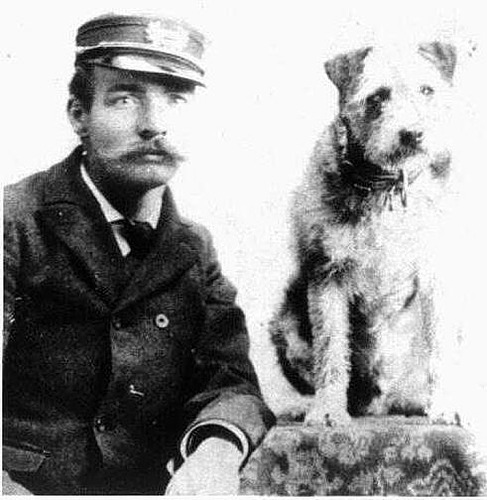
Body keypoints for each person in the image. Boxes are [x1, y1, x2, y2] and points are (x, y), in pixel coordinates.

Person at [3, 13, 275, 495]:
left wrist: (215, 452)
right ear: (78, 115)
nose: (155, 125)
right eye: (125, 98)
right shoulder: (15, 222)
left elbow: (230, 381)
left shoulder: (193, 246)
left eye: (176, 100)